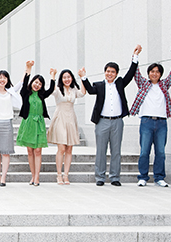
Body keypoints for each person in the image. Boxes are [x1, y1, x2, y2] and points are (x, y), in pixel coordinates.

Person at [82, 45, 140, 186]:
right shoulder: (100, 85)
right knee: (101, 151)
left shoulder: (120, 83)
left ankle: (114, 177)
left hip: (117, 122)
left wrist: (135, 57)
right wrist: (83, 77)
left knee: (116, 151)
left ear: (116, 74)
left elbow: (131, 74)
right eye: (108, 71)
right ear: (105, 72)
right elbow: (89, 90)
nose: (110, 74)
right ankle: (100, 178)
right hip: (102, 121)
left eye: (112, 72)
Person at [130, 55, 171, 187]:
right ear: (148, 73)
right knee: (144, 151)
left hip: (161, 123)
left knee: (160, 152)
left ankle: (159, 177)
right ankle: (142, 177)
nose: (154, 74)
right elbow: (135, 74)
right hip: (146, 122)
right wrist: (135, 56)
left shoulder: (164, 85)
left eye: (157, 72)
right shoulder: (143, 84)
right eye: (152, 71)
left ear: (160, 74)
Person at [0, 54, 23, 187]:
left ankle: (4, 178)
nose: (2, 80)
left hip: (7, 123)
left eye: (4, 77)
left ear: (7, 79)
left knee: (6, 152)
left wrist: (27, 70)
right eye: (0, 77)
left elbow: (21, 83)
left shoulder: (11, 91)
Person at [16, 61, 56, 186]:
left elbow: (50, 89)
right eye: (35, 82)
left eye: (40, 83)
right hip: (28, 123)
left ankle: (37, 177)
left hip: (39, 124)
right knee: (30, 151)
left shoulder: (42, 95)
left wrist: (53, 76)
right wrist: (28, 69)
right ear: (32, 82)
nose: (37, 85)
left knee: (38, 150)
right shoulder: (25, 93)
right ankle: (32, 176)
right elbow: (23, 85)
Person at [47, 69, 86, 185]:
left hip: (71, 119)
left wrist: (82, 77)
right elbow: (52, 90)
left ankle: (66, 175)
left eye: (68, 77)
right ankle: (59, 175)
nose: (67, 79)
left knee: (69, 148)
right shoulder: (58, 89)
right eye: (64, 77)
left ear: (72, 78)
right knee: (61, 148)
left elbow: (83, 93)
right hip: (60, 118)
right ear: (61, 79)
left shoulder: (74, 90)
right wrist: (52, 76)